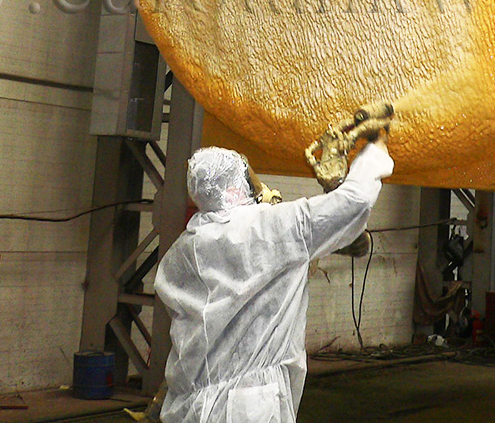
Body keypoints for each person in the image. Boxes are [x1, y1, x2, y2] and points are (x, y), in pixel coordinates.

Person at [154, 133, 393, 423]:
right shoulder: (271, 227)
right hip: (247, 407)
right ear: (234, 189)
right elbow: (353, 203)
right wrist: (375, 149)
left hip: (188, 405)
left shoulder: (184, 249)